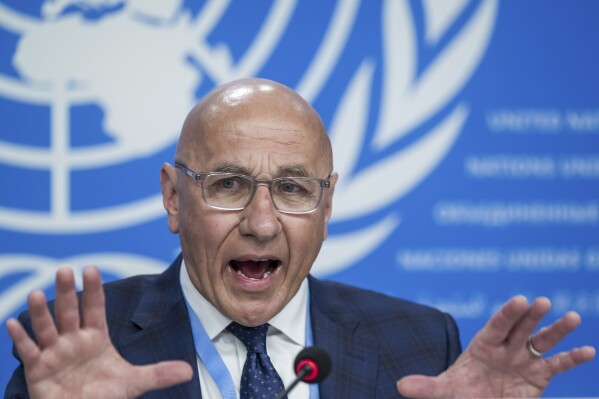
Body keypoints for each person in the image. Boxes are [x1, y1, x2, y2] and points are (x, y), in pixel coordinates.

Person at [5, 78, 595, 399]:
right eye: (229, 184)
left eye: (292, 189)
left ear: (328, 203)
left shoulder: (420, 343)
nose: (262, 222)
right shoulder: (78, 345)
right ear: (171, 197)